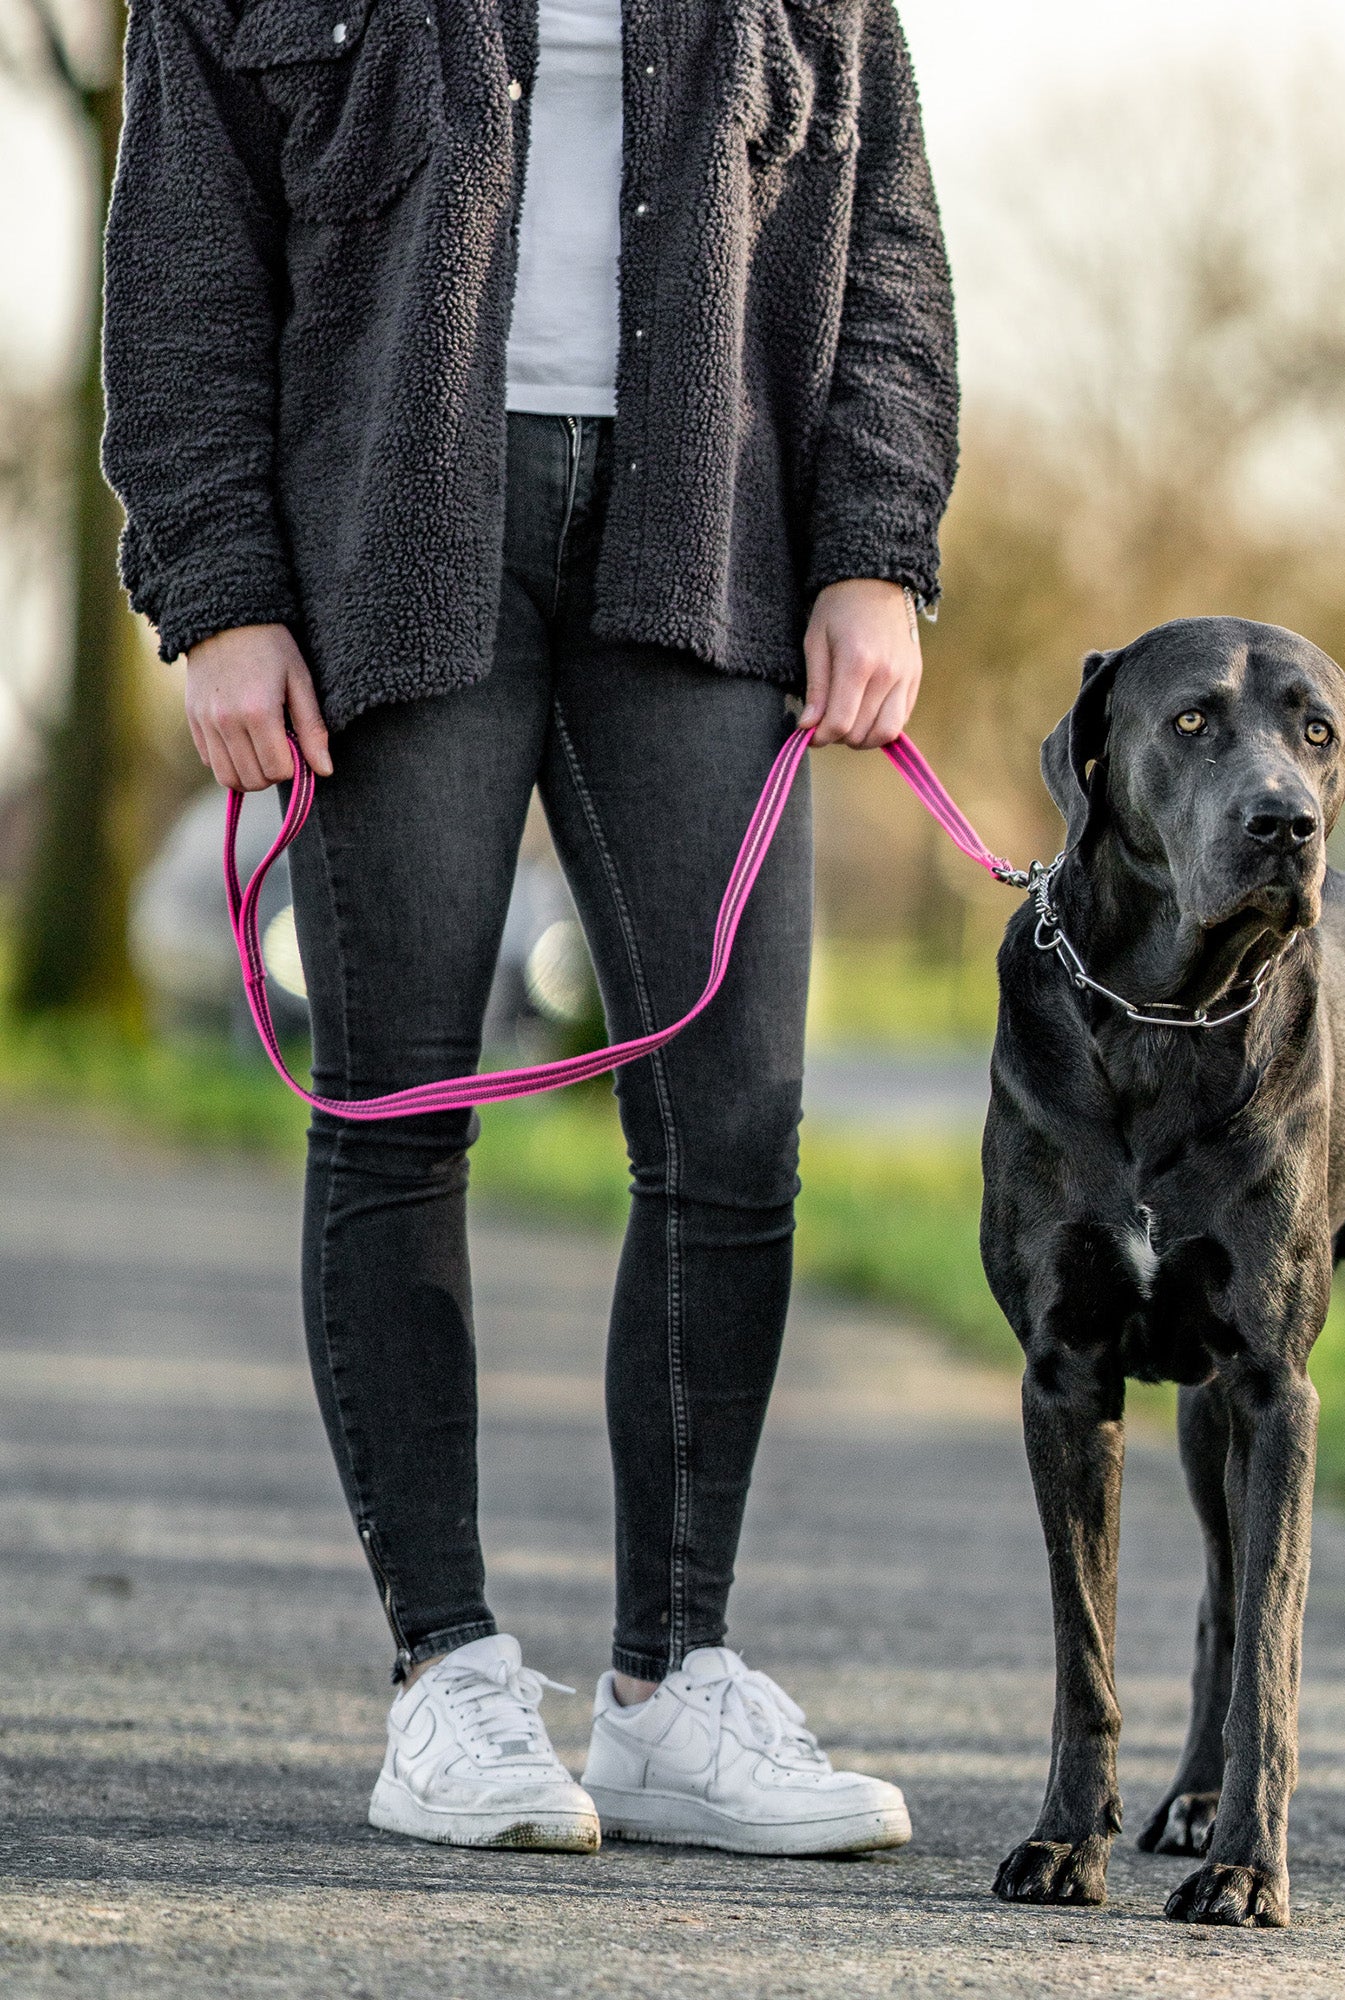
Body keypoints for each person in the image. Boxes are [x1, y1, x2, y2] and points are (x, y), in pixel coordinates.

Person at [101, 0, 957, 1857]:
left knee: (736, 1132)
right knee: (399, 1108)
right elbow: (179, 246)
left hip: (707, 533)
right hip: (388, 546)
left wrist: (878, 543)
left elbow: (885, 232)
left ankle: (676, 1690)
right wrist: (218, 587)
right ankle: (449, 1679)